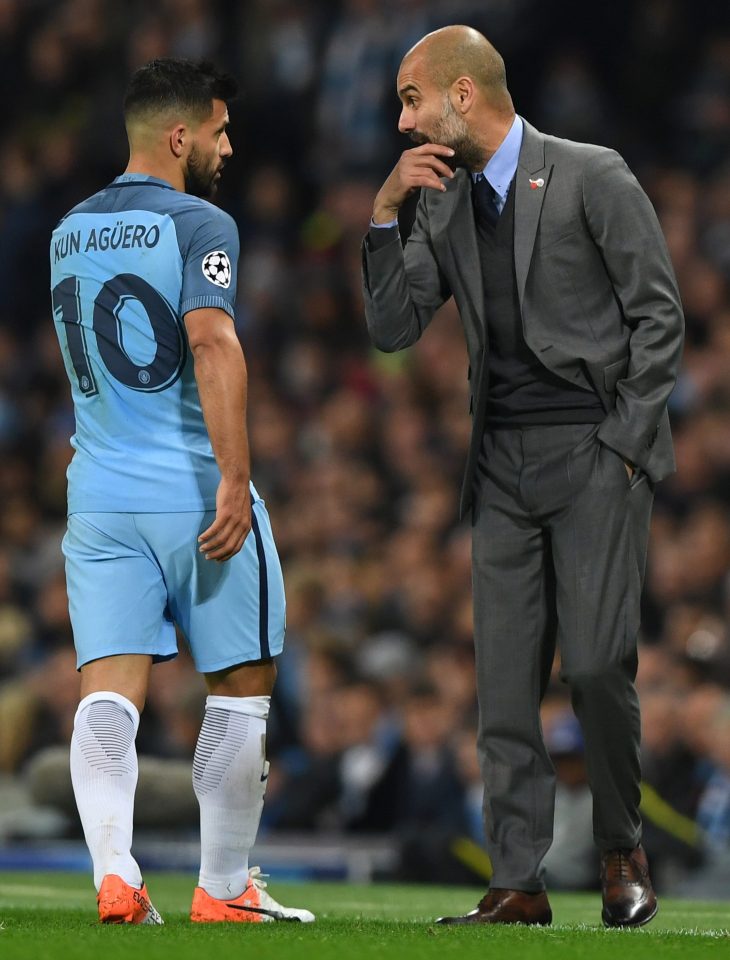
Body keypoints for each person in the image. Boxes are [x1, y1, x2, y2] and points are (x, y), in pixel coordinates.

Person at [361, 26, 684, 927]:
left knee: (592, 667)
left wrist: (624, 443)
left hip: (592, 453)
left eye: (410, 98)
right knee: (503, 685)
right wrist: (385, 214)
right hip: (499, 461)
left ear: (462, 96)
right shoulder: (440, 199)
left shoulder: (591, 173)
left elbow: (659, 317)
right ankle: (519, 883)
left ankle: (622, 847)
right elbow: (393, 328)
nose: (401, 121)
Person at [50, 58, 314, 926]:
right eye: (220, 131)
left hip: (97, 493)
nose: (228, 147)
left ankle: (115, 875)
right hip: (192, 493)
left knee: (106, 694)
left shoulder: (69, 230)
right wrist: (234, 479)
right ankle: (225, 887)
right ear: (180, 135)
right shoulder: (201, 221)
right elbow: (212, 344)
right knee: (241, 688)